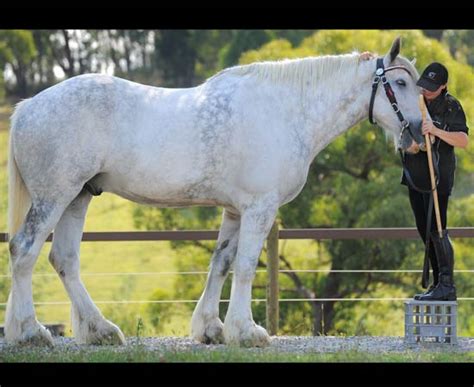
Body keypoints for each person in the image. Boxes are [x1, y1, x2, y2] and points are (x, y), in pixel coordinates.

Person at [401, 62, 468, 301]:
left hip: (438, 176)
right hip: (414, 176)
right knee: (424, 230)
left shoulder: (451, 106)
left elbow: (463, 140)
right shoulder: (413, 104)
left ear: (443, 86)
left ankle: (447, 285)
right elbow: (403, 137)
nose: (426, 92)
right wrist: (410, 145)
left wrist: (436, 130)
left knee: (438, 230)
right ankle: (438, 284)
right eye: (424, 86)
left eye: (431, 88)